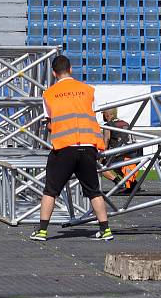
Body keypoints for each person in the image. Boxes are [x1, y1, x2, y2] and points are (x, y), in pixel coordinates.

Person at [30, 55, 113, 242]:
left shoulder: (49, 94)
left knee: (51, 190)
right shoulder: (88, 90)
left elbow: (50, 123)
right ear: (71, 69)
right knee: (93, 190)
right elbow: (94, 115)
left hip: (64, 147)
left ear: (54, 73)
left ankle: (42, 230)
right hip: (87, 145)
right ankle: (105, 229)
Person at [100, 108, 139, 192]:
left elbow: (105, 142)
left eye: (103, 114)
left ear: (107, 114)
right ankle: (132, 183)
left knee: (99, 166)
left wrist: (100, 157)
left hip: (120, 154)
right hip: (133, 153)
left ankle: (119, 183)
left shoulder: (108, 125)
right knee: (116, 167)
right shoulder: (125, 123)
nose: (103, 116)